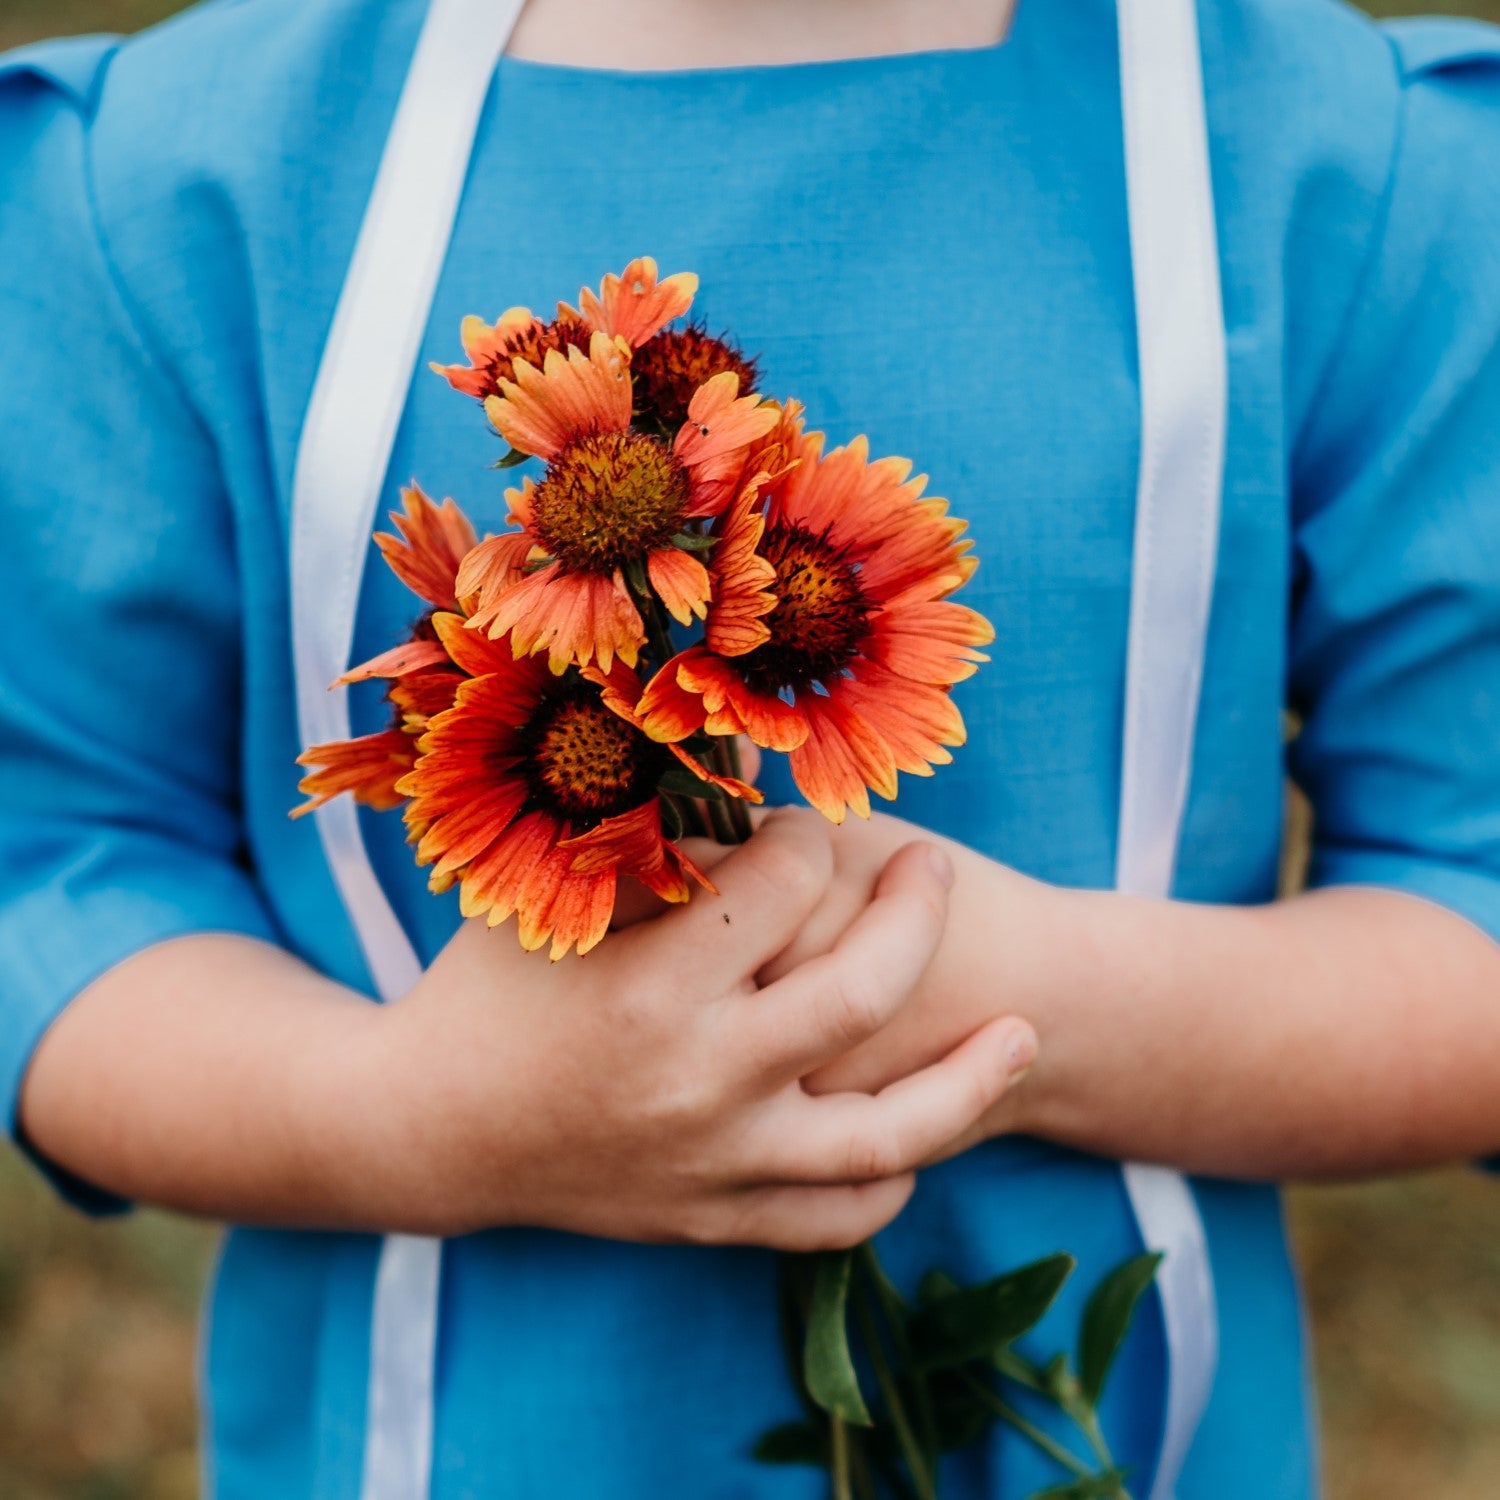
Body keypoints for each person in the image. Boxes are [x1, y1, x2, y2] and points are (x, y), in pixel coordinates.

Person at [2, 0, 1499, 1494]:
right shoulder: (175, 191)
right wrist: (406, 1116)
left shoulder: (1343, 175)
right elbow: (60, 878)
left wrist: (1022, 1003)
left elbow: (1468, 907)